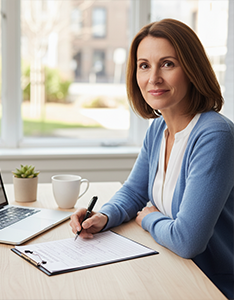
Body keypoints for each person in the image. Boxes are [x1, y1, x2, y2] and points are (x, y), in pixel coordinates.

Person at [70, 19, 234, 299]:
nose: (153, 78)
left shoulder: (214, 135)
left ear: (192, 69)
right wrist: (103, 216)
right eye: (144, 65)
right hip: (168, 267)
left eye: (168, 64)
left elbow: (188, 241)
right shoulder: (159, 128)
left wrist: (150, 218)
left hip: (210, 283)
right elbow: (135, 191)